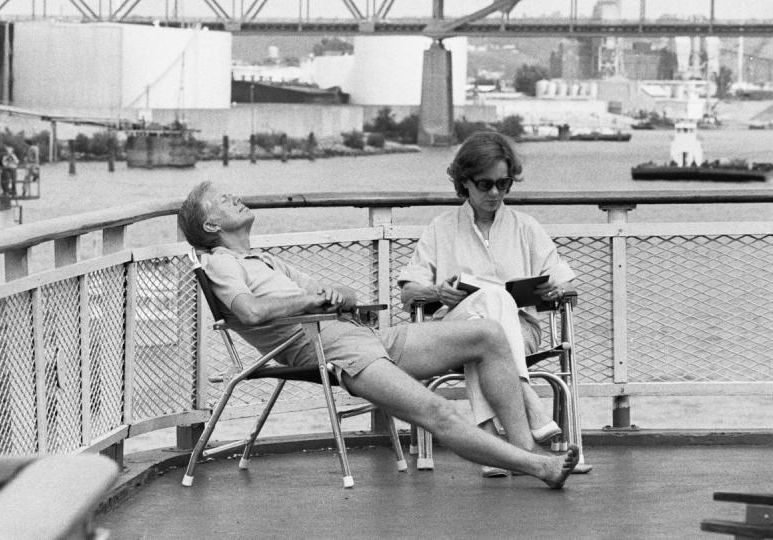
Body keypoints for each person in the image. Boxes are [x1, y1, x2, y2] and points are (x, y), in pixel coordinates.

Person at [178, 180, 579, 489]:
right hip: (332, 351)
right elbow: (248, 312)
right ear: (212, 224)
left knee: (489, 335)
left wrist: (338, 296)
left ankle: (525, 444)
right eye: (224, 200)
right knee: (436, 410)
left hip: (362, 335)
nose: (236, 198)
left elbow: (344, 295)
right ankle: (539, 466)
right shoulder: (223, 263)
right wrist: (308, 302)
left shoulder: (264, 260)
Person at [398, 130, 576, 478]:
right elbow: (408, 292)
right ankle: (527, 423)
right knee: (489, 305)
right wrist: (436, 293)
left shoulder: (526, 227)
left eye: (504, 184)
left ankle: (490, 441)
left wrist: (557, 290)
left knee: (490, 321)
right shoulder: (441, 228)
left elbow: (565, 279)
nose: (495, 193)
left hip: (519, 333)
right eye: (485, 184)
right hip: (456, 335)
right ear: (464, 182)